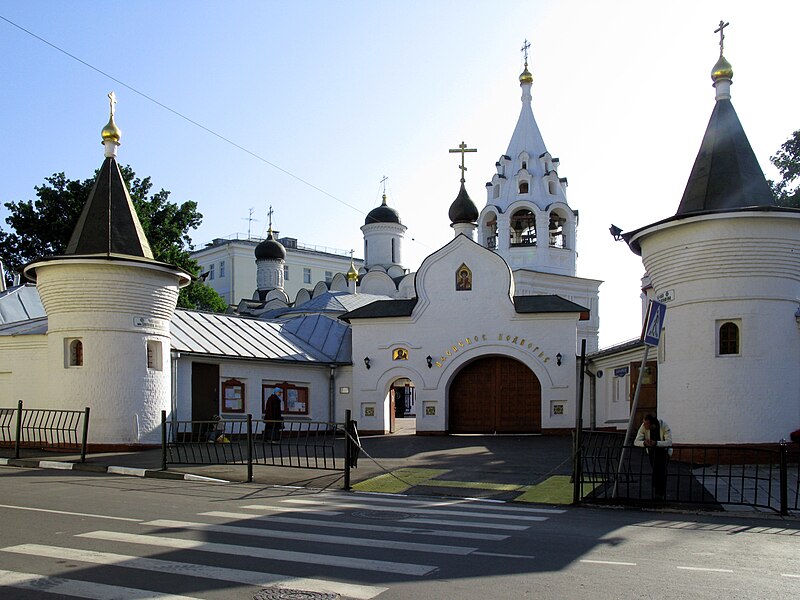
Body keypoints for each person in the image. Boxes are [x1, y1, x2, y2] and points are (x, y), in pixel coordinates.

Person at [634, 414, 673, 500]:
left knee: (662, 471)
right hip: (652, 452)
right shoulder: (643, 427)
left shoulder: (663, 425)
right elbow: (636, 441)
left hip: (664, 452)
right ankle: (657, 492)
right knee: (656, 470)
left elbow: (669, 442)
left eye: (646, 424)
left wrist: (656, 443)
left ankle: (660, 493)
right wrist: (644, 443)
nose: (644, 425)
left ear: (652, 424)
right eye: (643, 423)